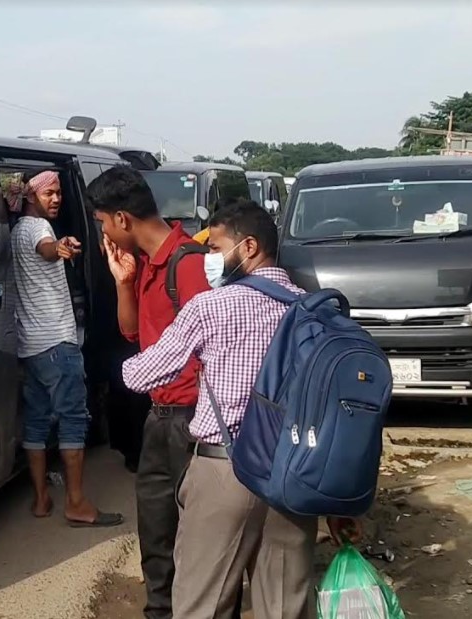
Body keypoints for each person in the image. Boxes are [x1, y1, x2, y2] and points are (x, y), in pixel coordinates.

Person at [121, 200, 358, 619]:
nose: (210, 259)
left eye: (215, 247)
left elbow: (142, 376)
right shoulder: (312, 309)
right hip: (293, 473)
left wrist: (120, 360)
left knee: (202, 604)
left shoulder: (212, 306)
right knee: (285, 606)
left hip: (225, 470)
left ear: (247, 247)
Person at [86, 166, 210, 619]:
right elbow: (132, 330)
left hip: (193, 421)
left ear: (122, 218)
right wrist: (123, 283)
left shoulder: (190, 264)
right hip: (158, 416)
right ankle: (160, 609)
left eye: (102, 222)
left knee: (195, 535)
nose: (103, 231)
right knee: (155, 529)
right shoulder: (144, 264)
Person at [9, 169, 124, 527]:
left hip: (30, 345)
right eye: (50, 194)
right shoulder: (40, 231)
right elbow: (47, 250)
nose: (57, 199)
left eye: (59, 193)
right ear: (32, 197)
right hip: (58, 344)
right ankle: (76, 502)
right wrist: (60, 248)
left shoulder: (14, 231)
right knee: (74, 420)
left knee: (37, 422)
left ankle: (41, 499)